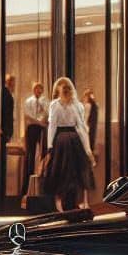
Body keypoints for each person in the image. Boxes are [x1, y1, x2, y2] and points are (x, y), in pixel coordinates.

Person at [43, 77, 95, 211]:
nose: (66, 91)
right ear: (59, 90)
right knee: (61, 172)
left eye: (68, 88)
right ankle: (62, 203)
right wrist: (50, 147)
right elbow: (52, 126)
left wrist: (88, 150)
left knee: (75, 173)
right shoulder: (54, 105)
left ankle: (72, 203)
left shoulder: (78, 105)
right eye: (63, 88)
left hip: (74, 141)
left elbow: (82, 127)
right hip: (60, 142)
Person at [21, 81, 48, 196]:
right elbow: (27, 116)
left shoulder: (45, 102)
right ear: (33, 90)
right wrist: (39, 122)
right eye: (36, 89)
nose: (38, 91)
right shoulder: (28, 101)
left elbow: (47, 114)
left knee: (43, 153)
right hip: (32, 128)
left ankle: (43, 184)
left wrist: (43, 121)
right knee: (30, 156)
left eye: (40, 89)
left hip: (41, 129)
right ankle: (26, 187)